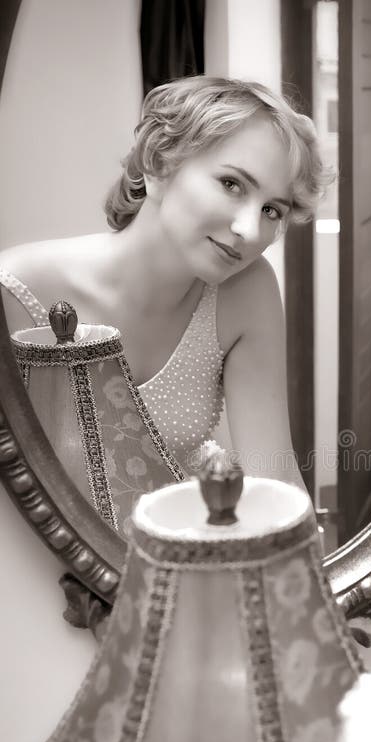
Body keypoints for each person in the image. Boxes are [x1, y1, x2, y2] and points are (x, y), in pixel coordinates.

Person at [0, 75, 333, 490]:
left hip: (185, 548)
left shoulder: (246, 290)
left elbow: (275, 478)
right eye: (231, 184)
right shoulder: (14, 292)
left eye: (271, 210)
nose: (249, 229)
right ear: (157, 163)